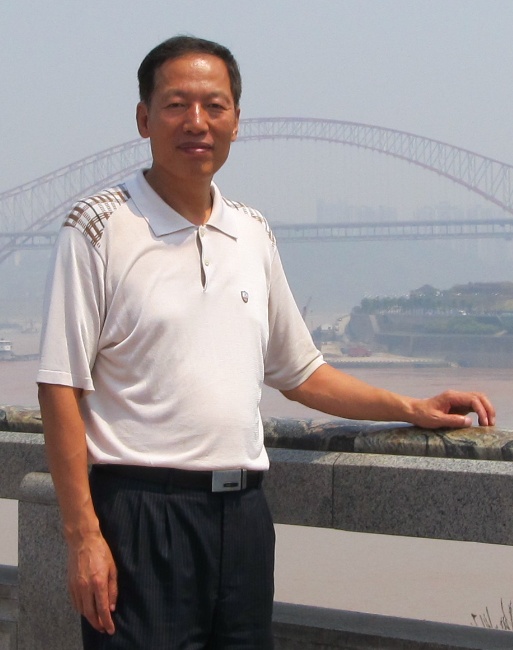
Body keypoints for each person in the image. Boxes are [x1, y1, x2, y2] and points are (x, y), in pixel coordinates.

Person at [37, 35, 495, 650]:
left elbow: (302, 373)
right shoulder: (97, 226)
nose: (196, 122)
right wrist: (84, 537)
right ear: (143, 118)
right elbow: (59, 386)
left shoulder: (252, 231)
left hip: (244, 517)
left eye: (214, 106)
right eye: (175, 105)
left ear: (236, 121)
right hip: (141, 515)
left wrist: (412, 408)